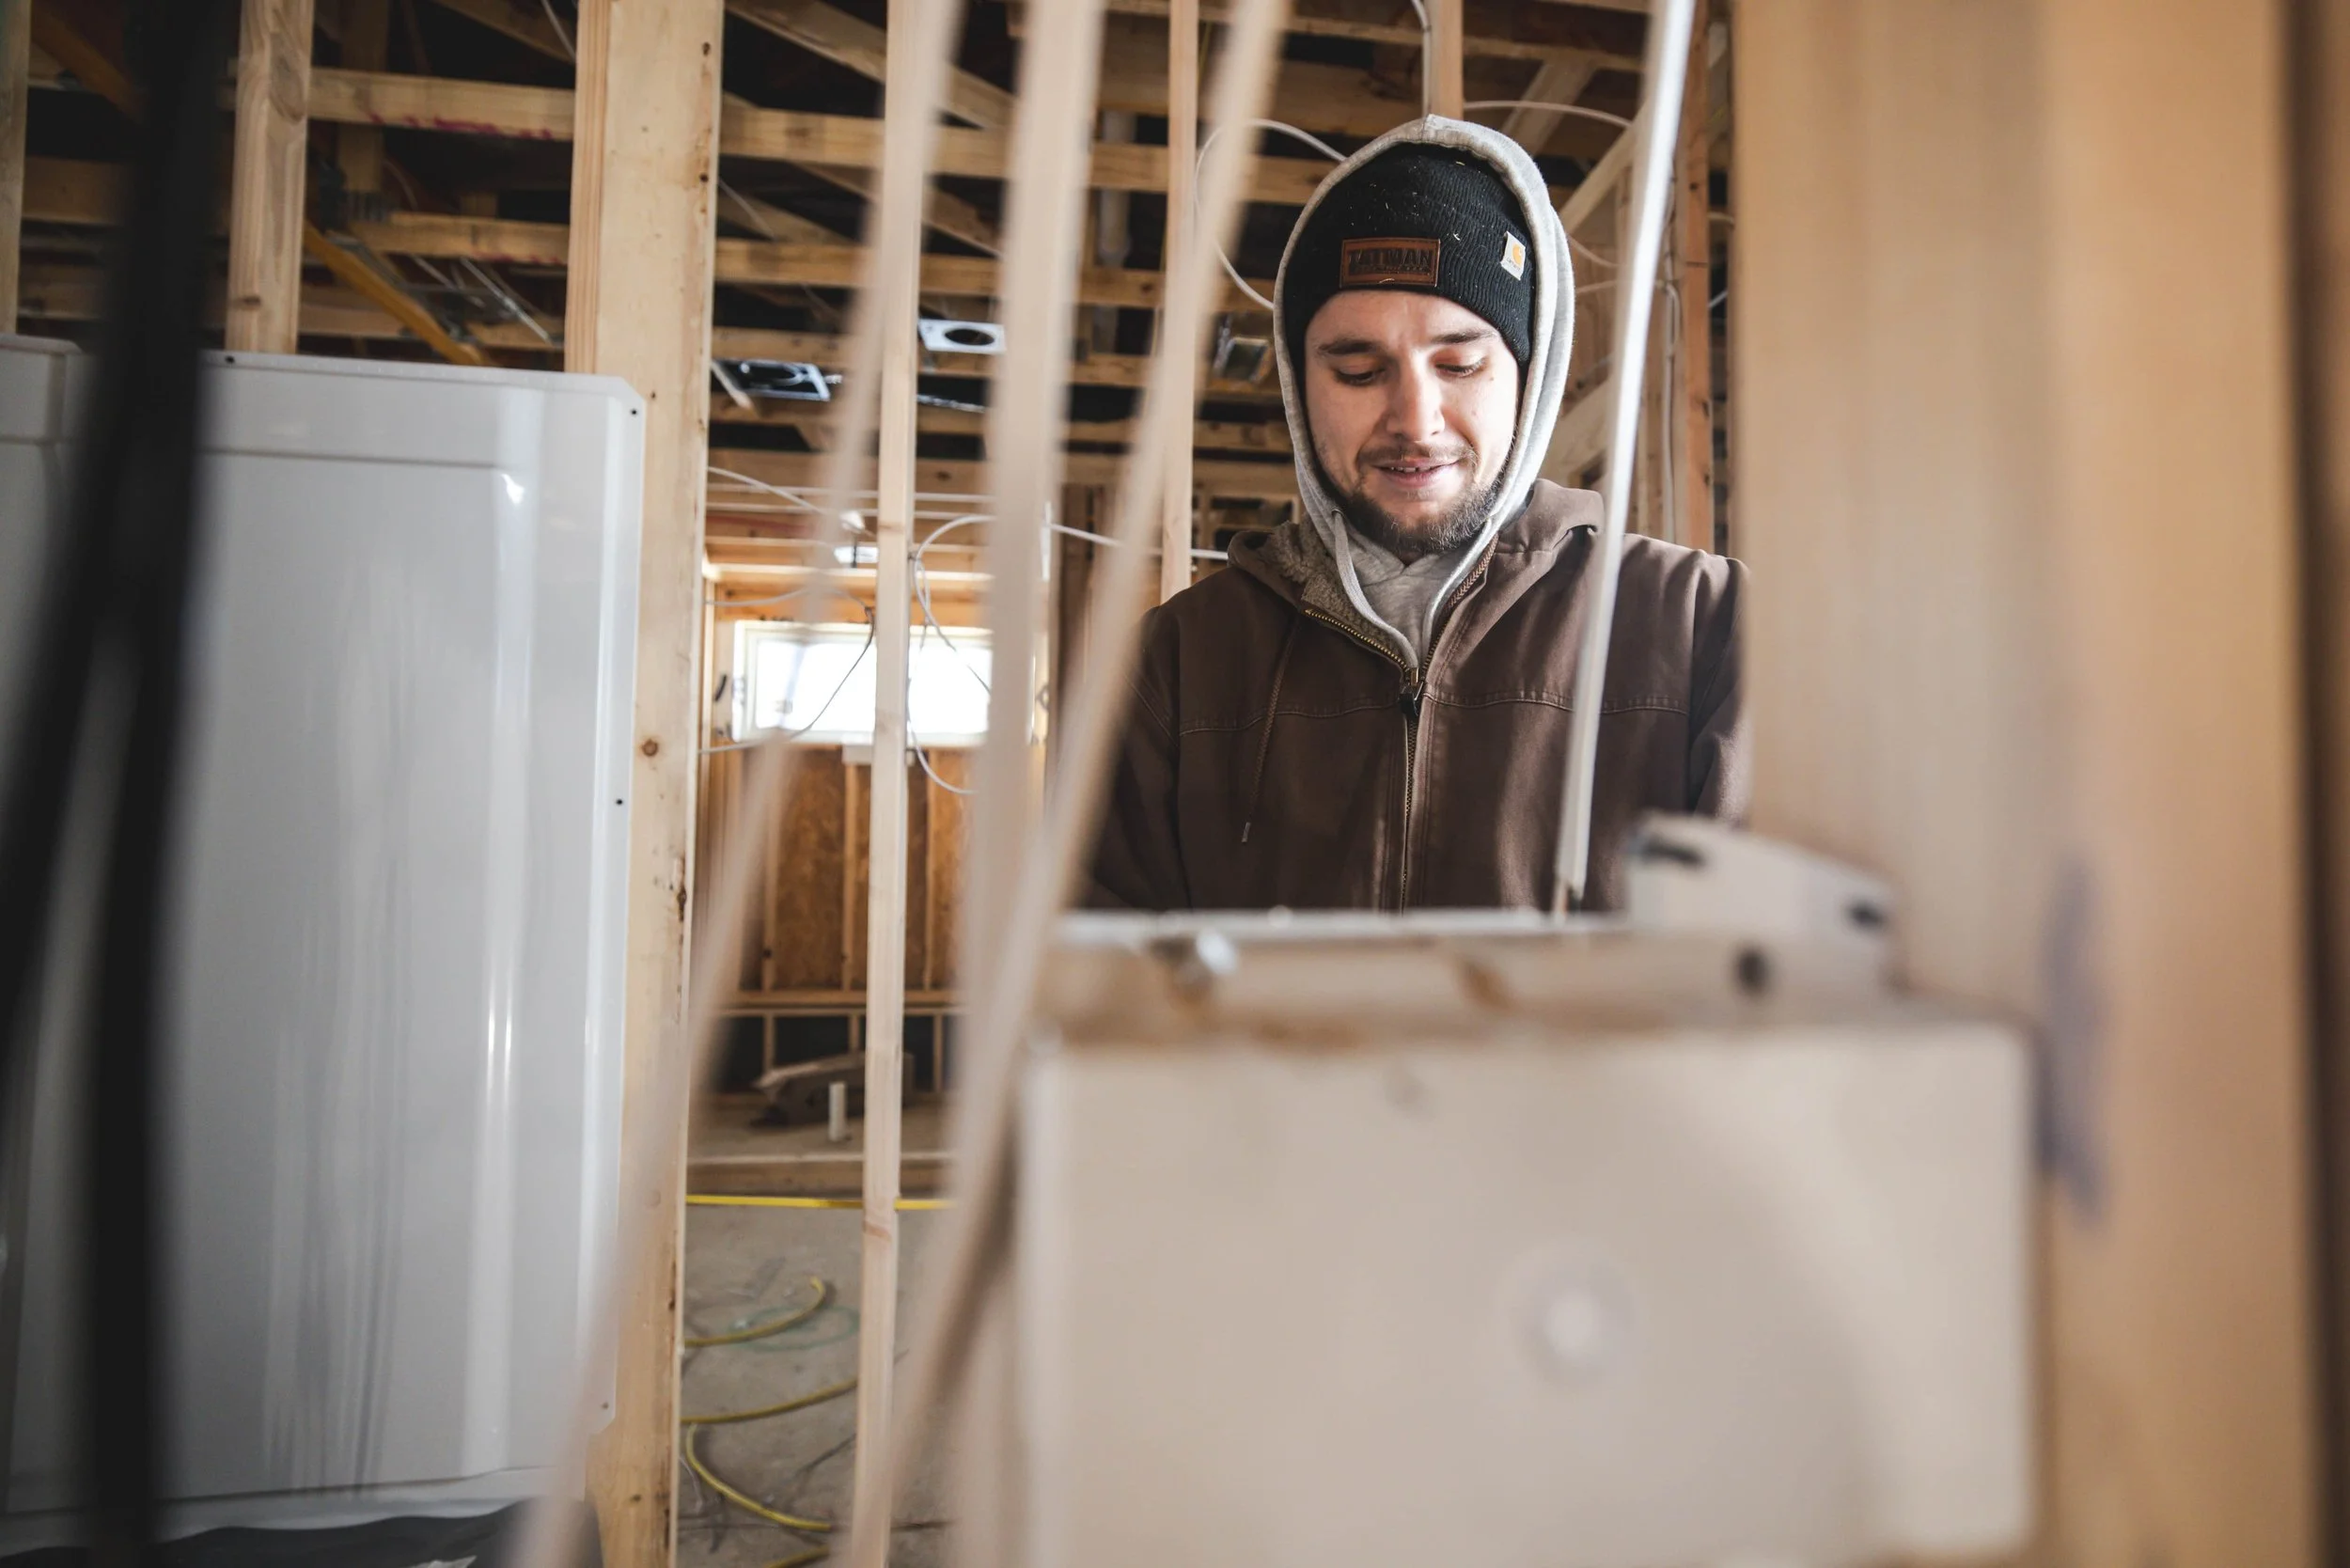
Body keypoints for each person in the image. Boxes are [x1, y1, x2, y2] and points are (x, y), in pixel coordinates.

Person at [1089, 117, 1747, 912]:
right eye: (1359, 370)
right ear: (1301, 388)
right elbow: (1102, 998)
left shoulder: (1704, 628)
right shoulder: (1178, 666)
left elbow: (1786, 990)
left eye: (1459, 363)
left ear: (1527, 375)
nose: (1417, 418)